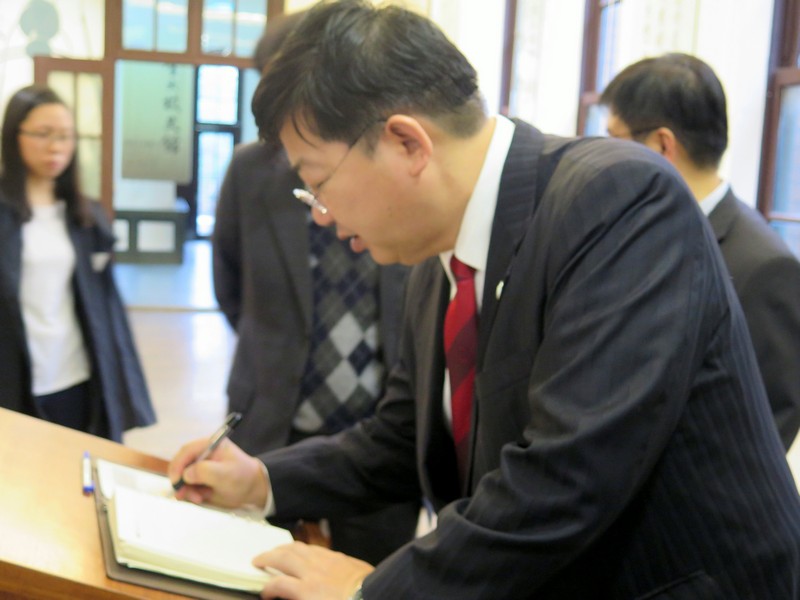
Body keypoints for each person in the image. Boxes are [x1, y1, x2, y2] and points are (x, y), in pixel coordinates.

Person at [169, 2, 800, 598]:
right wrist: (266, 480)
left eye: (317, 184)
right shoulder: (437, 257)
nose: (324, 216)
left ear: (407, 144)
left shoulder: (617, 201)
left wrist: (368, 590)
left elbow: (566, 477)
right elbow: (399, 437)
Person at [211, 11, 418, 564]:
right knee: (257, 566)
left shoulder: (395, 176)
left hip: (381, 420)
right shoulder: (250, 173)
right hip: (275, 414)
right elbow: (228, 281)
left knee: (370, 570)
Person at [600, 53, 800, 450]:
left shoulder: (763, 266)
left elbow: (759, 440)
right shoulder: (632, 231)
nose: (602, 158)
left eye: (613, 140)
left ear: (661, 144)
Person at [0, 84, 155, 441]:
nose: (57, 147)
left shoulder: (84, 214)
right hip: (15, 378)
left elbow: (105, 307)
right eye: (43, 134)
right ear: (13, 136)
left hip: (75, 374)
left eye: (66, 136)